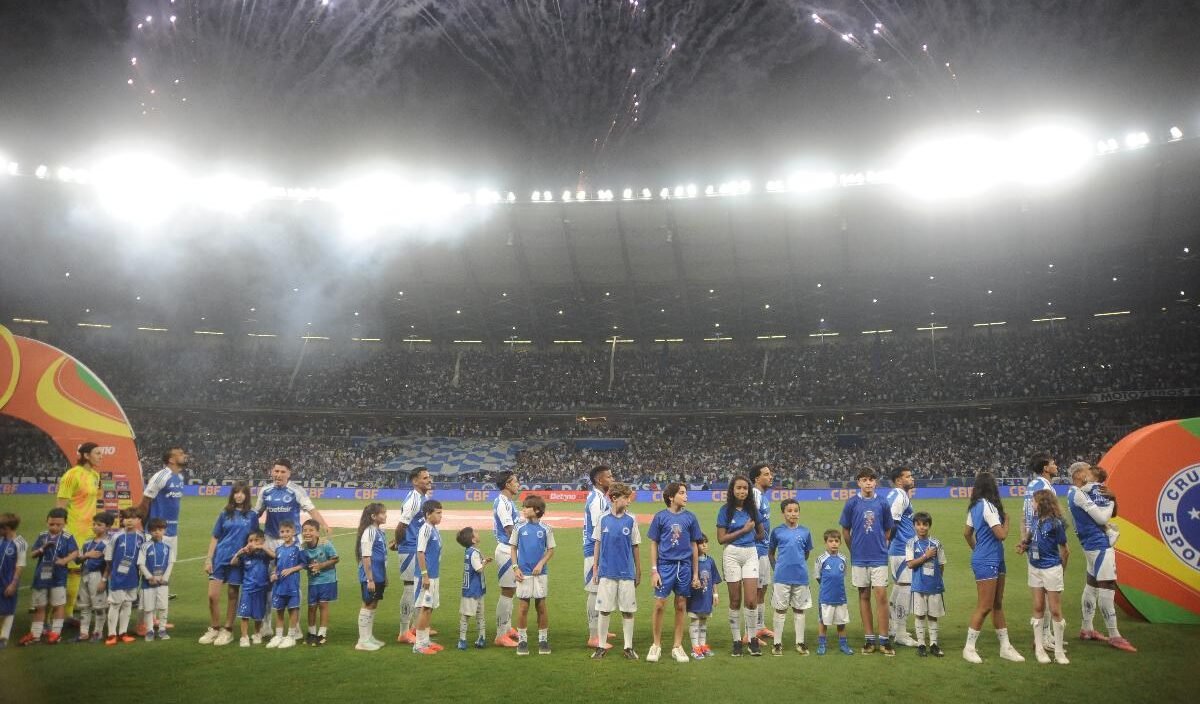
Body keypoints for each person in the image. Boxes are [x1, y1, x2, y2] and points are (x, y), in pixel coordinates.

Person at [254, 458, 329, 638]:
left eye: (282, 472)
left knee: (292, 584)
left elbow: (312, 510)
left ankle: (294, 627)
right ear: (272, 472)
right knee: (269, 583)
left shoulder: (296, 491)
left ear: (289, 473)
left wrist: (325, 526)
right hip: (271, 540)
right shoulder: (265, 491)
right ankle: (266, 624)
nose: (278, 475)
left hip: (293, 542)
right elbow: (255, 514)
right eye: (276, 471)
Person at [1068, 462, 1135, 652]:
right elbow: (1103, 518)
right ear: (1080, 474)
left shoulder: (1077, 493)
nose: (1091, 473)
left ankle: (1087, 629)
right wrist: (1112, 501)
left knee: (1092, 584)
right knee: (1107, 585)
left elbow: (1108, 512)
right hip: (1099, 545)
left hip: (1090, 545)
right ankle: (1114, 635)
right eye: (1088, 470)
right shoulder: (1079, 494)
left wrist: (1112, 501)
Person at [963, 471, 1024, 664]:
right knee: (985, 606)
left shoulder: (974, 507)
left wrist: (977, 550)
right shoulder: (988, 507)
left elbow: (966, 533)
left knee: (997, 603)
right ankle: (969, 647)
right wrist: (1007, 522)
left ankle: (1005, 647)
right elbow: (1001, 535)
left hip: (992, 558)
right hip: (988, 560)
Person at [839, 467, 895, 655]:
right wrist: (853, 550)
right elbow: (845, 530)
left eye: (871, 479)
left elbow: (888, 529)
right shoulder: (852, 503)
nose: (868, 483)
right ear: (859, 482)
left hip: (879, 557)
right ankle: (869, 639)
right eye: (864, 480)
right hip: (859, 558)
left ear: (875, 482)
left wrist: (881, 545)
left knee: (881, 596)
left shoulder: (883, 503)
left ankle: (884, 639)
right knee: (863, 596)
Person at [200, 480, 257, 646]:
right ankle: (214, 628)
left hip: (238, 561)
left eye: (242, 492)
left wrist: (247, 552)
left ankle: (228, 630)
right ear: (232, 495)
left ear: (246, 495)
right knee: (212, 596)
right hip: (220, 558)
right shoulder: (225, 513)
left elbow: (253, 539)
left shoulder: (251, 515)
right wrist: (209, 558)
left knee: (233, 595)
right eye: (236, 492)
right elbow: (215, 536)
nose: (239, 495)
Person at [592, 481, 643, 661]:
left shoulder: (632, 519)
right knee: (604, 610)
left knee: (627, 610)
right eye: (626, 498)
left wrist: (638, 570)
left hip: (626, 573)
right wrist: (595, 568)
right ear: (614, 498)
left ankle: (628, 647)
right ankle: (601, 646)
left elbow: (635, 545)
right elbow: (597, 543)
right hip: (606, 572)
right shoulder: (602, 519)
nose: (629, 502)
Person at [716, 474, 765, 656]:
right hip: (732, 555)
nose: (742, 491)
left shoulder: (753, 511)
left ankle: (752, 639)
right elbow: (721, 539)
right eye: (739, 488)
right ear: (732, 490)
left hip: (750, 554)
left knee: (751, 600)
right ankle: (736, 641)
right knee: (735, 600)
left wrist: (749, 538)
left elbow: (761, 533)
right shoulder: (725, 511)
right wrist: (743, 531)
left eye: (745, 488)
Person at [56, 442, 103, 621]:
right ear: (85, 455)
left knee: (80, 572)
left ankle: (70, 610)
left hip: (88, 531)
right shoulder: (71, 475)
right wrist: (61, 533)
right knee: (70, 572)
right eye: (97, 453)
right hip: (73, 530)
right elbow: (60, 507)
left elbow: (94, 504)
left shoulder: (95, 475)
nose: (101, 456)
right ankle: (61, 615)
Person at [20, 507, 79, 645]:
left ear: (65, 523)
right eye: (51, 524)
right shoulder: (42, 536)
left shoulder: (67, 537)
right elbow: (32, 555)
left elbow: (75, 552)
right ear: (47, 522)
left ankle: (55, 633)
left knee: (59, 605)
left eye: (58, 524)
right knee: (39, 606)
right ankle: (35, 634)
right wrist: (42, 548)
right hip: (41, 577)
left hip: (58, 577)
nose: (54, 527)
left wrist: (64, 560)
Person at [1025, 489, 1070, 664]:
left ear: (1042, 503)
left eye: (1034, 501)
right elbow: (1031, 538)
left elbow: (1065, 550)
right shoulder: (1036, 519)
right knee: (1037, 607)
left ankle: (1059, 652)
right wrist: (1024, 545)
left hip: (1051, 568)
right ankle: (1039, 648)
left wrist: (1061, 571)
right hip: (1035, 568)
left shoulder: (1055, 524)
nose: (1031, 504)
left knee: (1055, 609)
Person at [1020, 451, 1058, 650]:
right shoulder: (1043, 486)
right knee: (1046, 590)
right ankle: (1043, 637)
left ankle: (1047, 635)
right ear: (1045, 468)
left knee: (1042, 590)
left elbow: (1024, 514)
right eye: (1053, 463)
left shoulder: (1032, 485)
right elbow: (1047, 514)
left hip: (1032, 540)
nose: (1056, 465)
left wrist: (1024, 539)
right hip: (1043, 540)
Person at [510, 494, 555, 655]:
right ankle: (522, 641)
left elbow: (550, 550)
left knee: (541, 606)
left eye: (526, 507)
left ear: (536, 510)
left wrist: (541, 564)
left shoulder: (546, 529)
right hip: (523, 573)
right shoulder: (518, 528)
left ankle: (543, 640)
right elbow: (513, 548)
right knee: (523, 607)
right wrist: (515, 567)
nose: (523, 510)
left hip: (540, 574)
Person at [768, 498, 813, 656]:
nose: (793, 514)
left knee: (799, 610)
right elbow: (771, 552)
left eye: (796, 510)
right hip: (781, 577)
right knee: (780, 610)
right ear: (783, 513)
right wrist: (777, 567)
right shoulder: (777, 531)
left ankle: (800, 643)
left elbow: (806, 553)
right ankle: (777, 643)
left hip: (800, 577)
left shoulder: (805, 532)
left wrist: (797, 564)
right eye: (789, 511)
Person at [395, 467, 433, 644]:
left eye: (429, 477)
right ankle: (404, 631)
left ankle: (416, 626)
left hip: (417, 548)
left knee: (418, 588)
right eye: (425, 478)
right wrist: (398, 543)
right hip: (410, 548)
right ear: (415, 481)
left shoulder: (423, 498)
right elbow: (401, 526)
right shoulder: (413, 500)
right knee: (410, 587)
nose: (429, 480)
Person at [905, 511, 946, 657]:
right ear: (914, 526)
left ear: (929, 526)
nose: (922, 527)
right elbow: (910, 564)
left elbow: (941, 564)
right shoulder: (911, 544)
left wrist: (937, 579)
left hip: (934, 586)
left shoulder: (936, 543)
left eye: (925, 524)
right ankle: (921, 644)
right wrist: (925, 556)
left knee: (933, 615)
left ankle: (934, 644)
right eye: (918, 524)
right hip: (919, 586)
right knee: (920, 615)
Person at [886, 466, 918, 647]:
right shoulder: (900, 495)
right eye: (908, 476)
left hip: (898, 549)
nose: (912, 478)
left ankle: (893, 627)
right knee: (905, 588)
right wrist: (889, 541)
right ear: (899, 480)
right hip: (902, 549)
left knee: (899, 587)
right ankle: (900, 633)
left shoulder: (894, 494)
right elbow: (893, 521)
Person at [139, 447, 187, 564]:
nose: (185, 455)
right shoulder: (161, 476)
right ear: (171, 459)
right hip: (156, 530)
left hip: (172, 531)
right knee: (153, 566)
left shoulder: (180, 478)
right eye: (180, 454)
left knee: (169, 565)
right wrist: (145, 525)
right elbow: (145, 501)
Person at [103, 508, 143, 645]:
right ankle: (111, 635)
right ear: (122, 520)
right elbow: (108, 558)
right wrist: (111, 575)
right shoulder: (116, 537)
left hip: (133, 577)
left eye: (133, 518)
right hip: (117, 577)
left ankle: (123, 633)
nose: (130, 520)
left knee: (127, 604)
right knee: (115, 605)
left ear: (138, 520)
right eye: (126, 518)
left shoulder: (141, 537)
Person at [583, 464, 613, 648]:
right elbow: (598, 528)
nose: (612, 479)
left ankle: (601, 629)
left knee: (601, 589)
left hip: (599, 550)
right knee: (594, 590)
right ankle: (594, 635)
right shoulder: (596, 500)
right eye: (609, 477)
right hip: (594, 551)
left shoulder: (601, 497)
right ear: (599, 480)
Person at [491, 470, 521, 647]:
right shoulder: (502, 503)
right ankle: (500, 634)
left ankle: (507, 628)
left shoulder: (507, 502)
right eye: (515, 482)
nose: (518, 484)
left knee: (511, 591)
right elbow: (509, 529)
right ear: (508, 484)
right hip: (506, 550)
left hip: (509, 550)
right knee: (507, 591)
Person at [814, 530, 854, 656]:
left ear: (840, 543)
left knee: (841, 622)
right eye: (831, 541)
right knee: (823, 621)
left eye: (836, 541)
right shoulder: (821, 559)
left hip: (840, 597)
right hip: (825, 598)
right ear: (826, 542)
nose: (834, 544)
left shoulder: (843, 559)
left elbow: (843, 575)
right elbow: (817, 576)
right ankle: (822, 644)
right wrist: (827, 587)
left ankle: (843, 645)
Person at [76, 511, 114, 642]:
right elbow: (77, 560)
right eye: (94, 524)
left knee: (99, 607)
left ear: (108, 527)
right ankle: (83, 632)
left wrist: (103, 580)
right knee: (84, 606)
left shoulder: (109, 543)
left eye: (99, 525)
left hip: (98, 576)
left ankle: (98, 632)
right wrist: (87, 555)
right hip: (84, 575)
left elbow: (109, 564)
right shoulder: (87, 542)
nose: (95, 527)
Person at [413, 500, 445, 655]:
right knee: (425, 609)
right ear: (428, 514)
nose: (441, 516)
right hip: (427, 576)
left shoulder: (434, 529)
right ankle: (419, 645)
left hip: (434, 575)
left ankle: (425, 641)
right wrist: (424, 575)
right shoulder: (425, 529)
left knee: (429, 609)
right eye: (438, 513)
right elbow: (420, 552)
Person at [355, 502, 388, 651]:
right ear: (373, 516)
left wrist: (384, 576)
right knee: (368, 604)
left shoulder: (379, 531)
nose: (385, 515)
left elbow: (382, 556)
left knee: (373, 604)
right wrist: (370, 579)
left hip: (378, 574)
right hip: (371, 575)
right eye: (382, 513)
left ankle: (369, 637)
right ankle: (362, 640)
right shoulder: (369, 532)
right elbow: (366, 556)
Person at [267, 520, 304, 649]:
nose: (285, 534)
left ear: (293, 532)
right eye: (282, 531)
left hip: (292, 585)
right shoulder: (279, 549)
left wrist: (292, 569)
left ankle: (291, 636)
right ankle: (278, 636)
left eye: (288, 531)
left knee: (293, 609)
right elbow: (277, 565)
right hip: (279, 585)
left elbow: (303, 564)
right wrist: (273, 574)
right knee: (279, 610)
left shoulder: (297, 548)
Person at [301, 518, 339, 647]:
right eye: (305, 530)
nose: (307, 533)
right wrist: (309, 566)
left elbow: (335, 558)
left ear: (317, 533)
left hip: (327, 580)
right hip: (313, 581)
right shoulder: (303, 547)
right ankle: (311, 633)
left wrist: (320, 566)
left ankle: (322, 633)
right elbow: (303, 564)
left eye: (311, 530)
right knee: (311, 607)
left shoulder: (325, 544)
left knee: (323, 605)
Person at [233, 530, 273, 647]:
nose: (253, 543)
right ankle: (244, 636)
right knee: (244, 615)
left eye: (256, 540)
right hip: (247, 589)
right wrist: (239, 553)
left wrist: (261, 547)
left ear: (262, 541)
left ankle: (257, 633)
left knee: (258, 614)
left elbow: (274, 555)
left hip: (261, 588)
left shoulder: (263, 554)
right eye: (250, 541)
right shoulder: (245, 555)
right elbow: (233, 562)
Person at [456, 526, 492, 651]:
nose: (478, 533)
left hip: (471, 588)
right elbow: (479, 569)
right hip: (474, 589)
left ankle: (468, 639)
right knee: (475, 615)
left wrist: (483, 560)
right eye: (475, 532)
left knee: (469, 615)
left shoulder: (469, 551)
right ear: (473, 540)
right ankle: (467, 639)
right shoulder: (474, 553)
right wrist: (485, 563)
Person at [138, 517, 174, 642]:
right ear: (150, 532)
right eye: (153, 530)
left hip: (163, 584)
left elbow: (170, 563)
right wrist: (149, 577)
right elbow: (141, 564)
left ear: (164, 530)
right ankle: (149, 630)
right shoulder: (145, 546)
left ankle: (162, 629)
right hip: (148, 584)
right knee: (148, 608)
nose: (157, 532)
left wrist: (165, 578)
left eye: (160, 529)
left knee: (163, 607)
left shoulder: (168, 546)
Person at [749, 463, 774, 641]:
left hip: (763, 548)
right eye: (766, 474)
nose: (770, 476)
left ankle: (760, 626)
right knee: (755, 591)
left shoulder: (763, 496)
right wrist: (756, 537)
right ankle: (751, 632)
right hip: (755, 550)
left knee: (763, 589)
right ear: (757, 478)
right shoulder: (755, 495)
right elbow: (750, 519)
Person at [686, 534, 721, 659]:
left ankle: (702, 645)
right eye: (701, 543)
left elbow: (714, 580)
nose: (704, 545)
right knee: (695, 620)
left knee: (704, 621)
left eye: (706, 542)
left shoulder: (710, 561)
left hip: (706, 597)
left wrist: (715, 594)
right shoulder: (691, 561)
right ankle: (695, 647)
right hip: (695, 597)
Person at [0, 513, 27, 648]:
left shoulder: (20, 543)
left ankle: (4, 637)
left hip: (8, 580)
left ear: (7, 528)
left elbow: (20, 565)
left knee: (8, 610)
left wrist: (13, 584)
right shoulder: (0, 539)